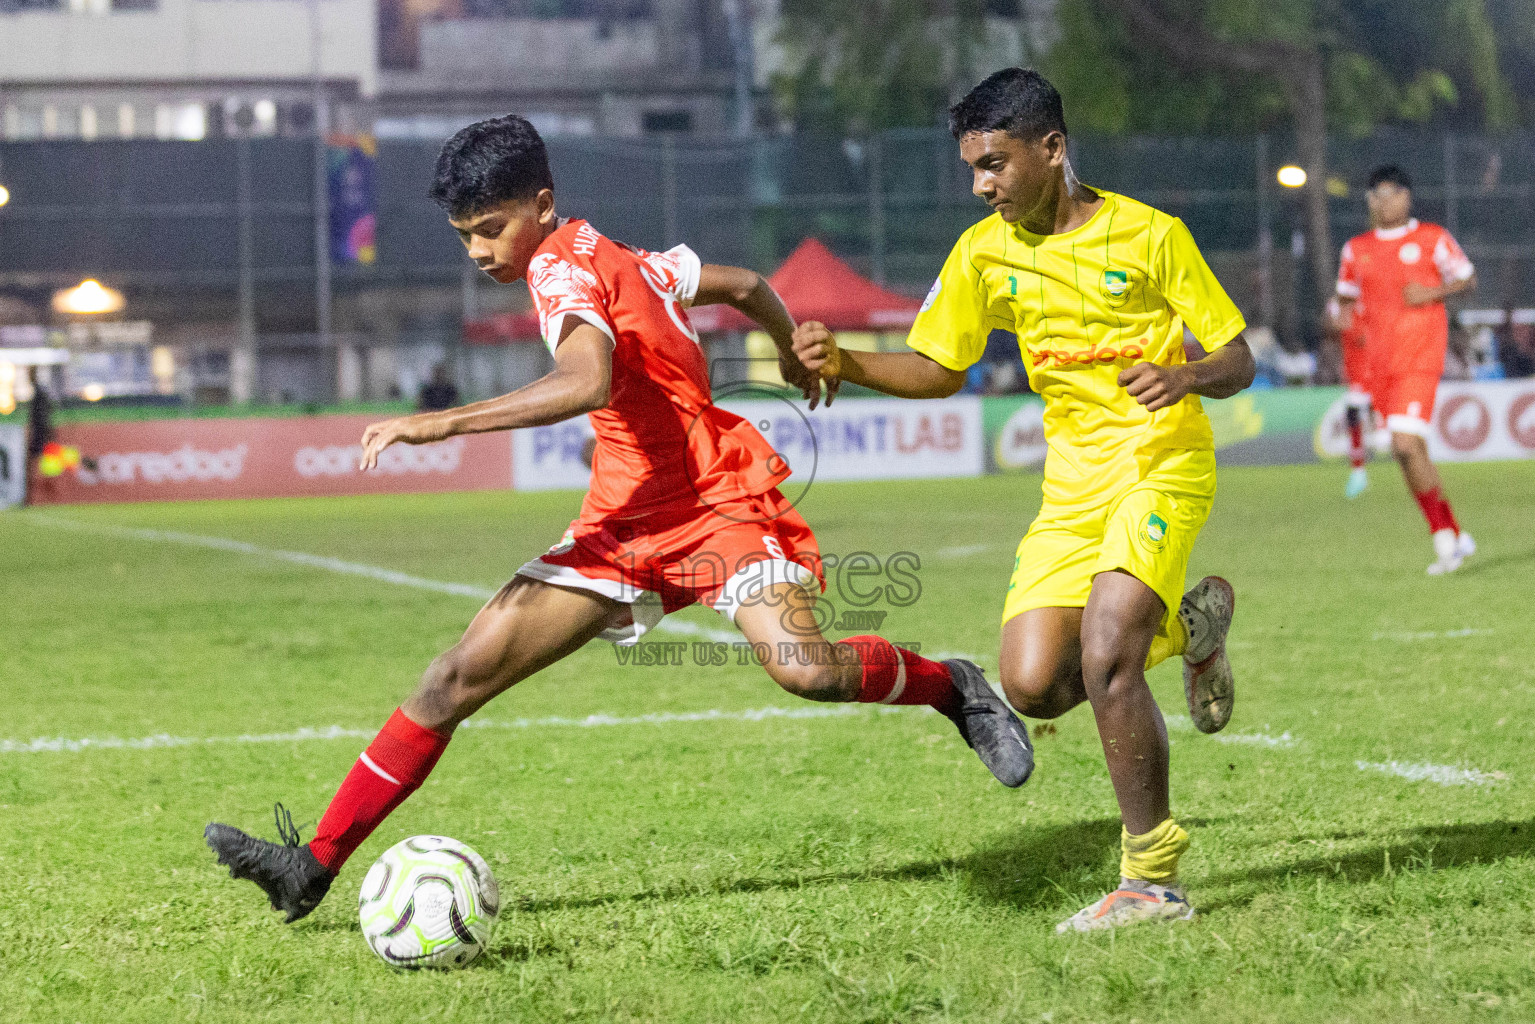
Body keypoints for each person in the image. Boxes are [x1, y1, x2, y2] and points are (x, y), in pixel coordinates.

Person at [204, 114, 1033, 923]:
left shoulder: (560, 270)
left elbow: (584, 382)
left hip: (715, 501)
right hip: (626, 524)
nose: (480, 251)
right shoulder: (624, 256)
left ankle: (950, 685)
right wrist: (783, 341)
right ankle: (307, 868)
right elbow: (743, 284)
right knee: (452, 678)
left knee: (806, 670)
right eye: (464, 235)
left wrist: (441, 420)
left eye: (490, 228)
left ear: (540, 202)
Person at [793, 68, 1253, 932]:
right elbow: (939, 366)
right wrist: (850, 365)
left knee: (1110, 648)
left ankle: (1150, 880)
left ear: (1051, 149)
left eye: (995, 164)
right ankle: (1191, 630)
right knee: (1036, 683)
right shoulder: (983, 253)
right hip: (1070, 487)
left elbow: (1236, 357)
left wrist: (1184, 372)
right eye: (972, 167)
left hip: (1162, 461)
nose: (982, 185)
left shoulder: (1151, 237)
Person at [1336, 165, 1478, 574]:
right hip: (1379, 365)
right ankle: (1453, 531)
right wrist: (1342, 321)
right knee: (1409, 452)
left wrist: (1433, 291)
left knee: (1403, 445)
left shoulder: (1432, 238)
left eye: (1391, 193)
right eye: (1375, 195)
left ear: (1406, 196)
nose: (1383, 201)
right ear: (1369, 201)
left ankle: (1444, 543)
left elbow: (1468, 279)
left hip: (1420, 356)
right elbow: (1344, 300)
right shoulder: (1355, 249)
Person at [1323, 295, 1377, 498]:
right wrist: (1333, 314)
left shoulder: (1366, 305)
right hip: (1355, 372)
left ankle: (1359, 471)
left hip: (1373, 372)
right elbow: (1329, 330)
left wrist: (1342, 318)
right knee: (1353, 416)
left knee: (1356, 414)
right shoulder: (1344, 305)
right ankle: (1358, 471)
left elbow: (1362, 336)